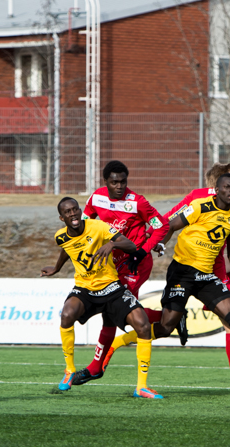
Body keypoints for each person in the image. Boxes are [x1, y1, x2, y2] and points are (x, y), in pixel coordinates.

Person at [104, 173, 230, 397]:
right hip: (182, 273)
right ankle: (120, 342)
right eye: (227, 187)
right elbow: (170, 225)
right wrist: (161, 243)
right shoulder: (199, 206)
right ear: (216, 190)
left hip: (206, 276)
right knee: (165, 327)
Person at [41, 197, 162, 399]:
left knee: (141, 324)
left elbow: (130, 245)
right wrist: (56, 268)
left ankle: (141, 386)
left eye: (75, 210)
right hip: (85, 289)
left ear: (80, 211)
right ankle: (69, 370)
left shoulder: (98, 226)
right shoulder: (60, 236)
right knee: (66, 315)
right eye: (67, 212)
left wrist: (112, 245)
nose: (73, 214)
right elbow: (67, 248)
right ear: (62, 218)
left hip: (110, 287)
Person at [63, 160, 169, 389]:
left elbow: (162, 226)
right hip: (110, 263)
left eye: (123, 182)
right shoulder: (96, 198)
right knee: (111, 309)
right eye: (114, 182)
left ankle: (96, 366)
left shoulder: (138, 202)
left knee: (116, 308)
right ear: (106, 182)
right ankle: (168, 316)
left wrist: (145, 248)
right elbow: (85, 227)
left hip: (135, 262)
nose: (119, 186)